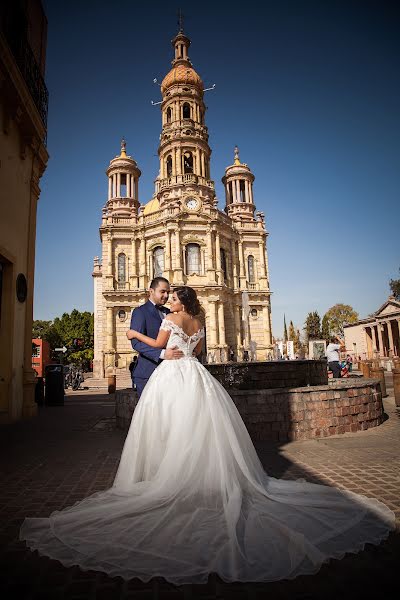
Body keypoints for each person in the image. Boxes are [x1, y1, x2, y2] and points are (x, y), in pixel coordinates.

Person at [20, 286, 395, 584]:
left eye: (172, 295)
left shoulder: (173, 317)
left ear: (179, 299)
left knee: (172, 426)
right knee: (200, 425)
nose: (169, 299)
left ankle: (170, 478)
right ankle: (205, 476)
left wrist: (134, 332)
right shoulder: (199, 320)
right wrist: (179, 352)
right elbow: (195, 352)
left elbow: (158, 347)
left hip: (171, 376)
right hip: (195, 376)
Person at [128, 277, 183, 396]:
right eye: (162, 291)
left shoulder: (170, 313)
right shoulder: (140, 312)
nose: (166, 295)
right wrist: (162, 354)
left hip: (171, 371)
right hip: (148, 372)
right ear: (151, 291)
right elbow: (136, 343)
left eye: (168, 292)